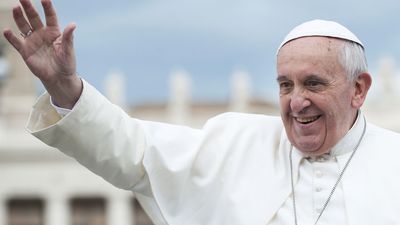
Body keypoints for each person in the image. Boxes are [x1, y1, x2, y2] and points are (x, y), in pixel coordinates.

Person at [3, 0, 400, 224]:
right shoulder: (234, 143)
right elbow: (135, 152)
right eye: (285, 85)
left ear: (359, 89)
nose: (297, 101)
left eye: (313, 83)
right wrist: (64, 87)